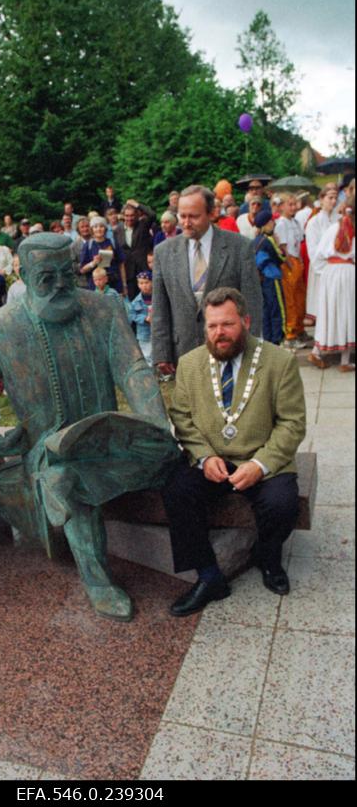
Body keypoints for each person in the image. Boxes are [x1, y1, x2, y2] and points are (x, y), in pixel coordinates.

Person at [0, 233, 178, 622]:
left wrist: (153, 419)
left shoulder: (103, 309)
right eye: (48, 277)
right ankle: (98, 581)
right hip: (48, 453)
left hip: (109, 437)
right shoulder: (0, 329)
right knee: (64, 478)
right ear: (24, 277)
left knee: (169, 455)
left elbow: (132, 368)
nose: (62, 285)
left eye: (68, 273)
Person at [161, 287, 306, 617]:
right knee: (176, 490)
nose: (219, 334)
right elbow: (181, 417)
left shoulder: (279, 362)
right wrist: (203, 456)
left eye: (227, 325)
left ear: (246, 321)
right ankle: (210, 576)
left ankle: (268, 558)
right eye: (211, 326)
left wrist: (260, 464)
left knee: (282, 503)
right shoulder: (189, 363)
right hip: (213, 457)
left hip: (261, 456)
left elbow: (293, 423)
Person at [152, 185, 262, 377]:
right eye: (182, 216)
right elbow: (160, 306)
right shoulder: (164, 252)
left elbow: (252, 301)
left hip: (230, 348)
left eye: (193, 216)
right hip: (184, 352)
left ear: (212, 214)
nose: (185, 223)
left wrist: (252, 348)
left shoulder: (240, 247)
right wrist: (161, 352)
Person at [308, 197, 355, 372]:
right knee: (347, 313)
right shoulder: (353, 231)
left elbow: (318, 255)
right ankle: (344, 360)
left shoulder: (332, 229)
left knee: (330, 311)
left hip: (332, 272)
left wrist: (324, 272)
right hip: (348, 273)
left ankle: (317, 351)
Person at [275, 194, 307, 350]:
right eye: (290, 204)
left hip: (297, 261)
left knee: (300, 297)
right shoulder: (281, 224)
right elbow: (283, 246)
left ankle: (300, 329)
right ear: (282, 206)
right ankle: (290, 333)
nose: (293, 207)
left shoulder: (295, 222)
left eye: (295, 204)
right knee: (291, 299)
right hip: (289, 263)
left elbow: (299, 242)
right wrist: (289, 263)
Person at [304, 186, 339, 323]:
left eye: (335, 198)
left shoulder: (340, 219)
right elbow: (313, 250)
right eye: (330, 198)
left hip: (338, 269)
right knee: (323, 308)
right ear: (321, 199)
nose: (333, 201)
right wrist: (327, 268)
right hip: (322, 270)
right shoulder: (314, 222)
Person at [252, 210, 287, 345]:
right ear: (265, 225)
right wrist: (279, 244)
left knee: (265, 311)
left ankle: (268, 341)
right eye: (271, 221)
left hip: (261, 279)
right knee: (277, 310)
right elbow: (281, 257)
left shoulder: (255, 241)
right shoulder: (268, 241)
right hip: (272, 278)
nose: (274, 223)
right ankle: (278, 339)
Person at [115, 199, 156, 299]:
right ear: (123, 216)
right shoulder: (117, 230)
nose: (129, 218)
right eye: (127, 216)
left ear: (137, 216)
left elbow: (152, 215)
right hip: (128, 272)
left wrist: (136, 204)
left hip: (143, 268)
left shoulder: (143, 225)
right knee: (133, 300)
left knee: (149, 299)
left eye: (132, 215)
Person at [80, 216, 127, 294]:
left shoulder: (113, 242)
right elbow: (82, 270)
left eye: (101, 226)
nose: (98, 229)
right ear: (92, 229)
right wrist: (93, 263)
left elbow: (121, 265)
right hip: (96, 286)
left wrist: (124, 285)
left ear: (105, 228)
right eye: (95, 227)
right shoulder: (88, 245)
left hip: (114, 284)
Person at [128, 271, 153, 366]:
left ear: (152, 282)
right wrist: (144, 319)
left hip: (158, 332)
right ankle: (150, 372)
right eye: (141, 283)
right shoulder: (136, 301)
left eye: (146, 282)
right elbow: (132, 315)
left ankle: (161, 373)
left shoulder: (158, 297)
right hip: (144, 333)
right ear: (138, 285)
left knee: (159, 352)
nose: (144, 285)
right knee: (146, 354)